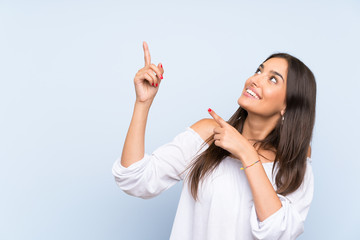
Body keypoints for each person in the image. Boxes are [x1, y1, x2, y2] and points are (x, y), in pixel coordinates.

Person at [112, 41, 316, 240]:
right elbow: (134, 179)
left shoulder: (293, 159)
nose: (255, 79)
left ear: (288, 106)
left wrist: (246, 153)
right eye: (259, 70)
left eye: (273, 79)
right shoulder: (208, 134)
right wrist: (142, 103)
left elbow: (277, 232)